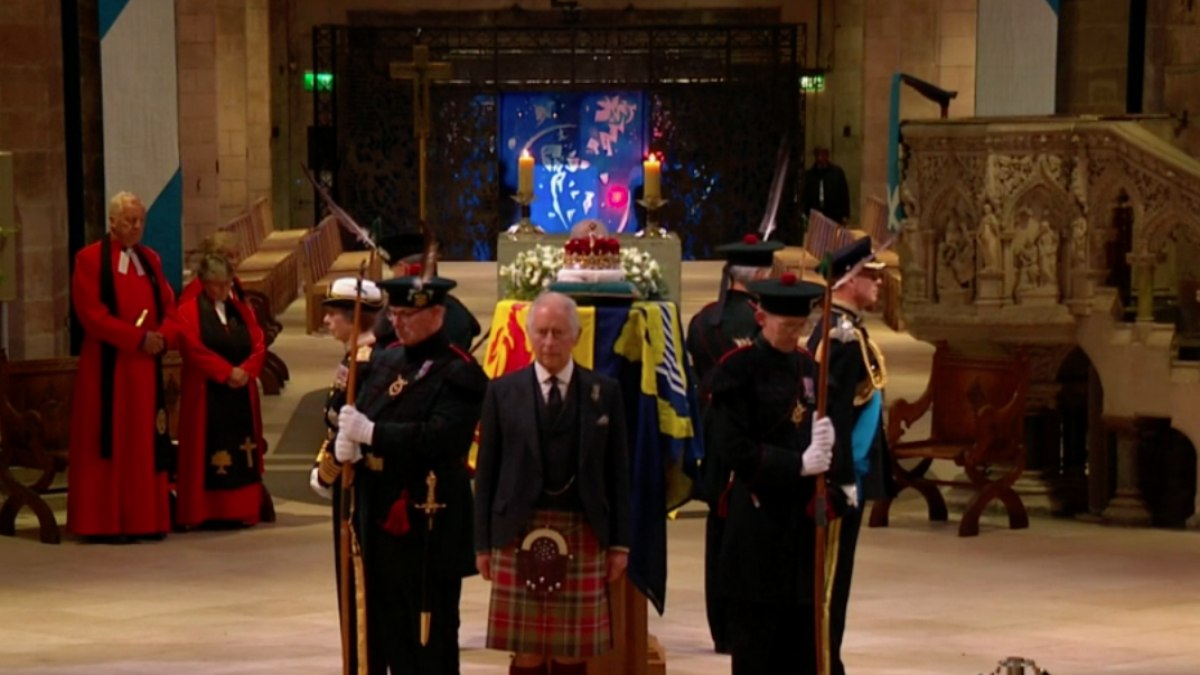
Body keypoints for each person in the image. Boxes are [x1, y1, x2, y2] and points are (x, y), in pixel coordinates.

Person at [333, 271, 487, 674]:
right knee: (386, 625)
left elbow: (442, 437)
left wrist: (373, 434)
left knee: (429, 633)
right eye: (394, 313)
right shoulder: (384, 359)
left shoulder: (460, 371)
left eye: (406, 315)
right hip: (378, 510)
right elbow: (363, 409)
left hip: (428, 519)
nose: (396, 322)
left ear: (436, 314)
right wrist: (348, 445)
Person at [473, 292, 632, 675]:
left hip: (583, 530)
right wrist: (483, 544)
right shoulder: (501, 392)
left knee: (571, 649)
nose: (549, 343)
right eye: (541, 332)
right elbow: (487, 472)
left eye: (558, 333)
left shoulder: (604, 393)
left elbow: (618, 474)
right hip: (516, 530)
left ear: (576, 336)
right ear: (528, 336)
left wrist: (619, 544)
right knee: (526, 650)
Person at [705, 272, 834, 675]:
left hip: (799, 522)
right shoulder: (738, 370)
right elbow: (735, 449)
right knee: (757, 643)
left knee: (800, 640)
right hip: (757, 521)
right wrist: (796, 464)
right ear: (761, 318)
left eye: (801, 327)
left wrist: (826, 441)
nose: (794, 334)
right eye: (786, 326)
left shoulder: (807, 367)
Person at [684, 231, 782, 654]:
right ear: (761, 274)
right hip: (764, 438)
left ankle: (721, 628)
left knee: (719, 533)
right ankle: (752, 624)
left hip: (715, 436)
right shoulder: (770, 322)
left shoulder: (706, 321)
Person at [67, 191, 179, 541]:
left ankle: (146, 519)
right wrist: (136, 338)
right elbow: (92, 315)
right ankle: (106, 522)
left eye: (141, 220)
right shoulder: (89, 260)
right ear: (112, 222)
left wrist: (163, 335)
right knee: (110, 439)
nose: (137, 226)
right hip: (108, 368)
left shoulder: (150, 259)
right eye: (130, 220)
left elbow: (169, 305)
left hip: (144, 370)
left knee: (144, 441)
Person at [806, 237, 894, 675]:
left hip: (853, 476)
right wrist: (842, 480)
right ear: (847, 281)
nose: (879, 282)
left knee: (838, 586)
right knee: (828, 588)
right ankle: (824, 665)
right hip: (843, 482)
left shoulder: (847, 329)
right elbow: (832, 415)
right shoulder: (837, 338)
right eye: (870, 274)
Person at [174, 253, 267, 529]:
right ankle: (205, 511)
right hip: (206, 394)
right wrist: (226, 373)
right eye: (216, 285)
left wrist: (247, 370)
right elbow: (193, 349)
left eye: (226, 284)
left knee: (243, 450)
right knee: (206, 450)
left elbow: (259, 342)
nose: (223, 290)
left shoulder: (242, 310)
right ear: (203, 283)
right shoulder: (188, 312)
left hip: (240, 392)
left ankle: (242, 509)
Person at [376, 232, 482, 352]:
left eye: (394, 271)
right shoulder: (457, 310)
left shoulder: (403, 322)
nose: (397, 322)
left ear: (403, 269)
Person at [178, 231, 244, 305]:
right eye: (229, 256)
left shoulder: (235, 282)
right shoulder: (196, 288)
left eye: (237, 255)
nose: (235, 261)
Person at [801, 147, 852, 225]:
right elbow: (806, 196)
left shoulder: (837, 173)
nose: (820, 158)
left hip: (834, 215)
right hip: (816, 216)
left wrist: (845, 215)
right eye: (818, 155)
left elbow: (844, 194)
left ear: (827, 155)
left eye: (822, 155)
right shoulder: (809, 175)